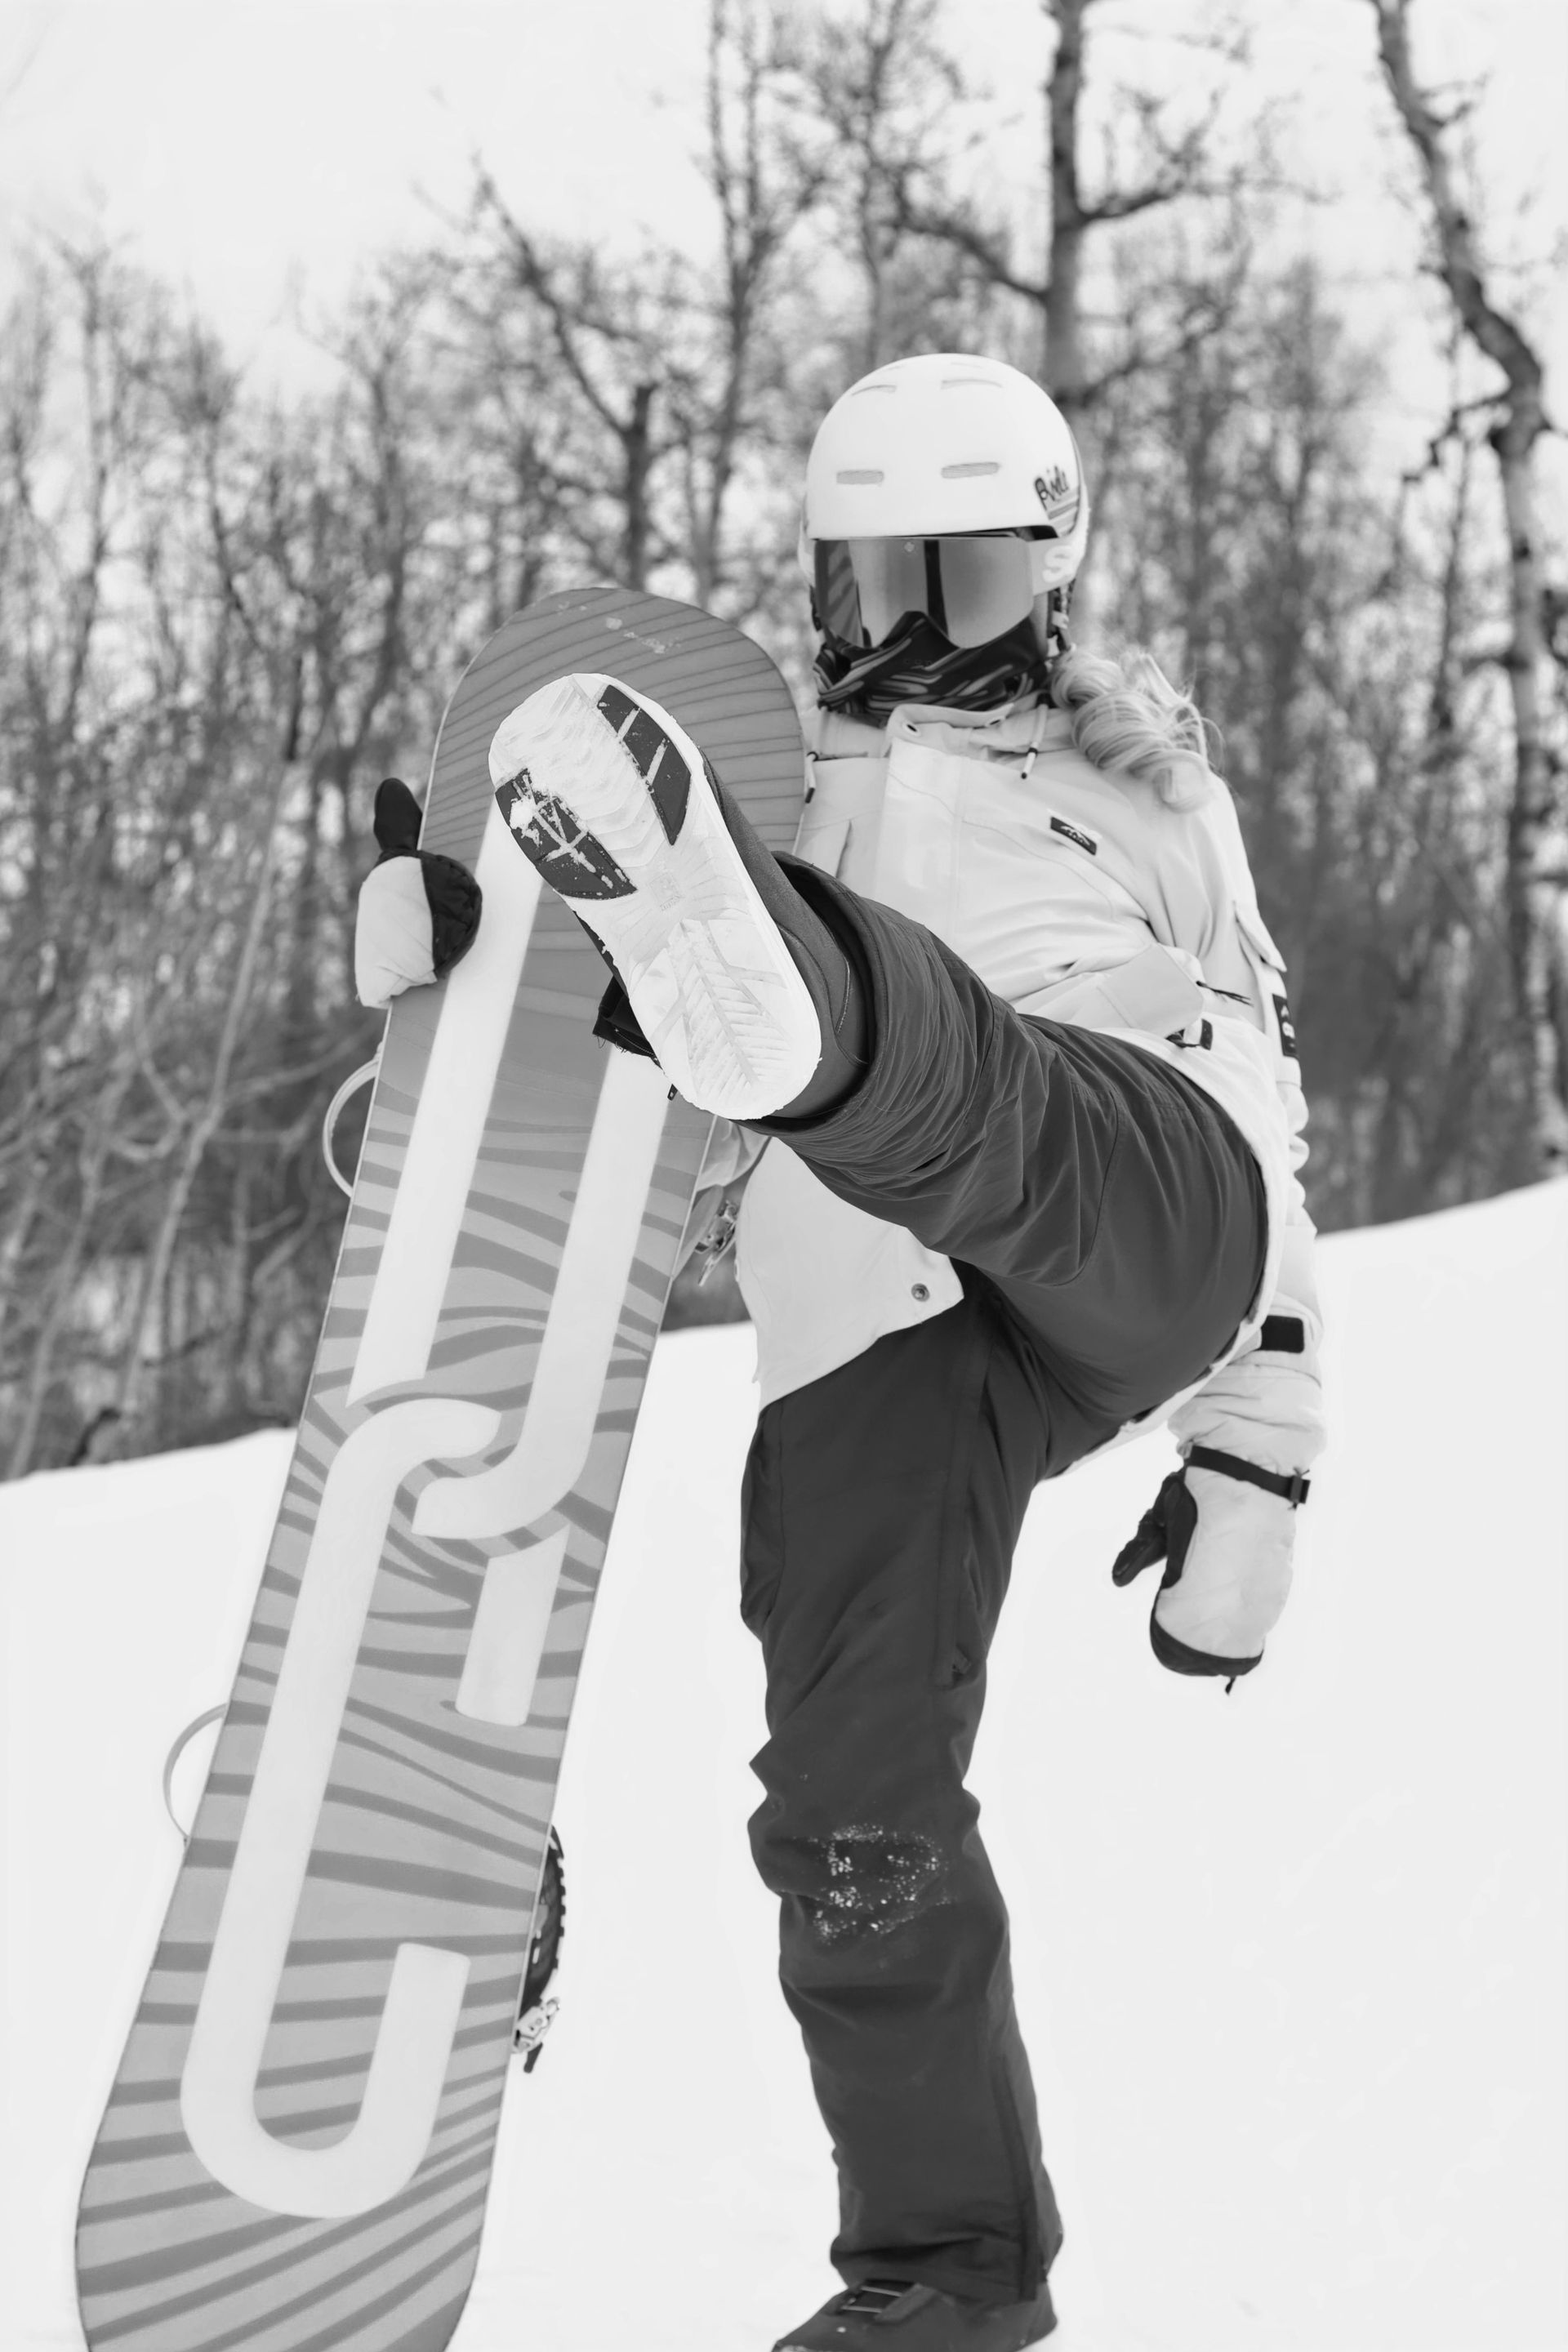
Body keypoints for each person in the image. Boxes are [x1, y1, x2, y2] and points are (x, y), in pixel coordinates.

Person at [357, 352, 1324, 2352]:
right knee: (849, 1814)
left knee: (962, 1081)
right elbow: (572, 1178)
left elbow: (1266, 1107)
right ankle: (950, 2281)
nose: (909, 631)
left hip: (1134, 1194)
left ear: (1052, 576)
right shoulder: (742, 779)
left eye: (957, 585)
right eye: (873, 581)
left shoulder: (1146, 789)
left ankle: (802, 1012)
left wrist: (1261, 1457)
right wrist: (452, 1005)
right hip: (869, 1301)